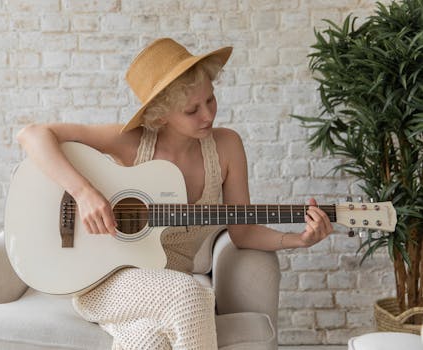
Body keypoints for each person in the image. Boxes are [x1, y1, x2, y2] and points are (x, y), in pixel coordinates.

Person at [17, 38, 334, 350]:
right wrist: (84, 193)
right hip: (103, 280)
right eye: (191, 110)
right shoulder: (130, 142)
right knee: (191, 296)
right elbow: (31, 135)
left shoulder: (226, 148)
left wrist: (299, 240)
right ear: (160, 115)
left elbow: (244, 231)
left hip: (168, 284)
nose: (208, 115)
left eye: (210, 100)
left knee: (149, 341)